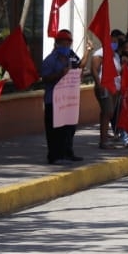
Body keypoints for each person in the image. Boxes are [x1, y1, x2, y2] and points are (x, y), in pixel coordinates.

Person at [40, 28, 83, 164]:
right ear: (57, 44)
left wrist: (87, 51)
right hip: (53, 100)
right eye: (63, 44)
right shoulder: (50, 60)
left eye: (68, 44)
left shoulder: (71, 56)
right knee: (55, 130)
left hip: (69, 100)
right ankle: (54, 156)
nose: (66, 46)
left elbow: (80, 66)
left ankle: (67, 153)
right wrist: (61, 74)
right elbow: (45, 78)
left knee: (69, 128)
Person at [90, 29, 125, 148]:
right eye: (112, 41)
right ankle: (103, 141)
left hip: (115, 88)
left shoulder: (115, 55)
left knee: (108, 113)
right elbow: (94, 70)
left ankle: (104, 137)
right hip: (104, 87)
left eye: (116, 41)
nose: (114, 43)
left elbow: (118, 71)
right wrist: (99, 84)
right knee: (108, 111)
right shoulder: (99, 53)